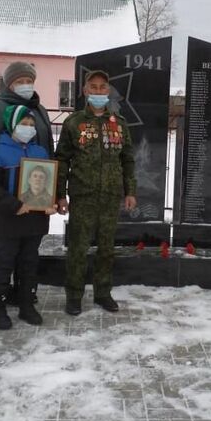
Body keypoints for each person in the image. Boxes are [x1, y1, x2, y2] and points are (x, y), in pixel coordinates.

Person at [55, 70, 137, 316]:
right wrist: (60, 195)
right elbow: (62, 161)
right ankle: (74, 295)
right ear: (85, 91)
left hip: (111, 196)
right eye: (94, 87)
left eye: (103, 87)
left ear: (108, 91)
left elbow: (128, 160)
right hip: (84, 196)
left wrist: (130, 191)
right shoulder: (74, 123)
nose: (99, 91)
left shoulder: (119, 124)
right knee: (78, 248)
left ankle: (103, 293)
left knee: (106, 248)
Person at [0, 61, 54, 304]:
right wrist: (6, 197)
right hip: (9, 196)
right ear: (9, 84)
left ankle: (22, 295)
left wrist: (50, 192)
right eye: (20, 81)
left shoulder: (39, 109)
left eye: (29, 81)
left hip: (36, 196)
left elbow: (47, 150)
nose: (26, 85)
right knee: (7, 253)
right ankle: (2, 297)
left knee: (28, 255)